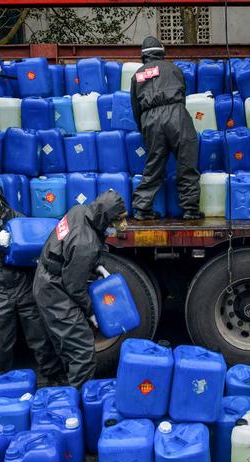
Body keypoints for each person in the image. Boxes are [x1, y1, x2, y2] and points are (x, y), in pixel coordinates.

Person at [0, 175, 65, 381]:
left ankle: (55, 381)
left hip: (22, 282)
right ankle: (0, 386)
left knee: (41, 337)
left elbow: (37, 245)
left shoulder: (17, 218)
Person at [33, 191, 127, 389]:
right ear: (105, 217)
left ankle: (60, 383)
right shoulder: (86, 243)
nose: (117, 226)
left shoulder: (80, 210)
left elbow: (68, 250)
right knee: (82, 349)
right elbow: (74, 287)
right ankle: (77, 402)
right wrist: (91, 312)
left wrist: (96, 265)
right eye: (114, 221)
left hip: (47, 274)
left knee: (64, 341)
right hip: (54, 288)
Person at [130, 36, 202, 221]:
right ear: (161, 52)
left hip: (150, 118)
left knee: (154, 163)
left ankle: (142, 208)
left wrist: (144, 127)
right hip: (176, 113)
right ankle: (190, 209)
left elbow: (135, 106)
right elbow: (182, 94)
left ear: (143, 56)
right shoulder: (174, 68)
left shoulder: (137, 75)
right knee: (186, 160)